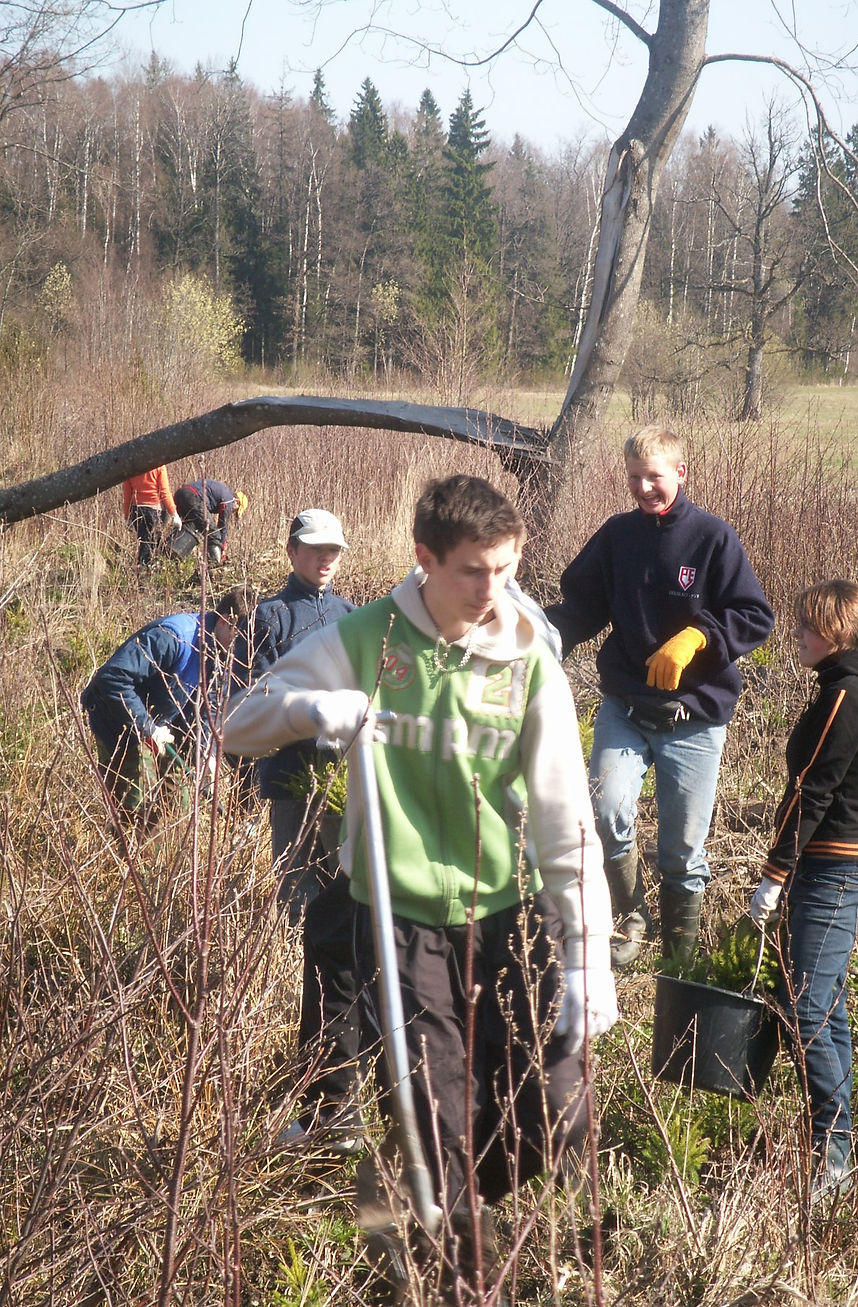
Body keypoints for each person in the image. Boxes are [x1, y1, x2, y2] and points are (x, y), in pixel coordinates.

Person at [223, 474, 617, 1293]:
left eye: (506, 568)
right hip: (396, 917)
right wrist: (310, 711)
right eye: (474, 570)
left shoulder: (527, 662)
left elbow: (564, 819)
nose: (493, 589)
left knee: (558, 1104)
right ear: (425, 559)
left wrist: (588, 961)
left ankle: (436, 1199)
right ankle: (463, 1274)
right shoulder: (369, 637)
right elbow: (240, 723)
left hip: (501, 913)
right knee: (442, 1123)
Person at [546, 424, 774, 967]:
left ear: (681, 473)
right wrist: (537, 637)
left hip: (693, 718)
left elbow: (753, 615)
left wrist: (698, 637)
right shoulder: (617, 536)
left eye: (655, 476)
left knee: (681, 850)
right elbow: (580, 606)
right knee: (603, 814)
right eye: (634, 477)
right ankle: (631, 916)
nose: (644, 487)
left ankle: (680, 961)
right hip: (625, 707)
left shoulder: (713, 538)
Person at [749, 580, 858, 1203]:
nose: (798, 635)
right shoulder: (848, 689)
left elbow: (811, 789)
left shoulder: (847, 695)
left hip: (832, 876)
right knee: (824, 1010)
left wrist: (775, 874)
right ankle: (836, 1151)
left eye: (807, 626)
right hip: (831, 874)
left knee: (806, 1010)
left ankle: (831, 1158)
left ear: (834, 633)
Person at [232, 508, 361, 1152]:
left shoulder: (351, 614)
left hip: (341, 777)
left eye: (333, 549)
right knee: (295, 891)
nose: (325, 558)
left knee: (340, 895)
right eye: (314, 549)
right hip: (289, 774)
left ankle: (329, 1019)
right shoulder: (269, 617)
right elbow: (246, 696)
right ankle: (293, 988)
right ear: (291, 551)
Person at [81, 586, 254, 825]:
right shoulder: (173, 637)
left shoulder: (222, 652)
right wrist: (147, 729)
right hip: (119, 722)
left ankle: (166, 857)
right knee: (138, 813)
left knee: (177, 807)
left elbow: (208, 708)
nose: (244, 649)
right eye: (241, 638)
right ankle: (135, 858)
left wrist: (206, 755)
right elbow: (112, 679)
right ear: (225, 621)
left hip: (161, 723)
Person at [173, 478, 248, 564]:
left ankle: (171, 556)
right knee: (214, 534)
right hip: (192, 497)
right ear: (237, 502)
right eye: (236, 510)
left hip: (181, 494)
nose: (233, 512)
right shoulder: (229, 499)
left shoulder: (223, 492)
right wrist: (222, 547)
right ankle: (214, 565)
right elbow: (222, 526)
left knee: (190, 528)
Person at [123, 466, 180, 568]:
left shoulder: (130, 466)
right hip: (154, 510)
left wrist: (127, 517)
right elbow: (164, 492)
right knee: (151, 545)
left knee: (144, 542)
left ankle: (143, 570)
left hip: (137, 510)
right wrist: (174, 513)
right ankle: (144, 572)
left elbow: (127, 495)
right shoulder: (159, 466)